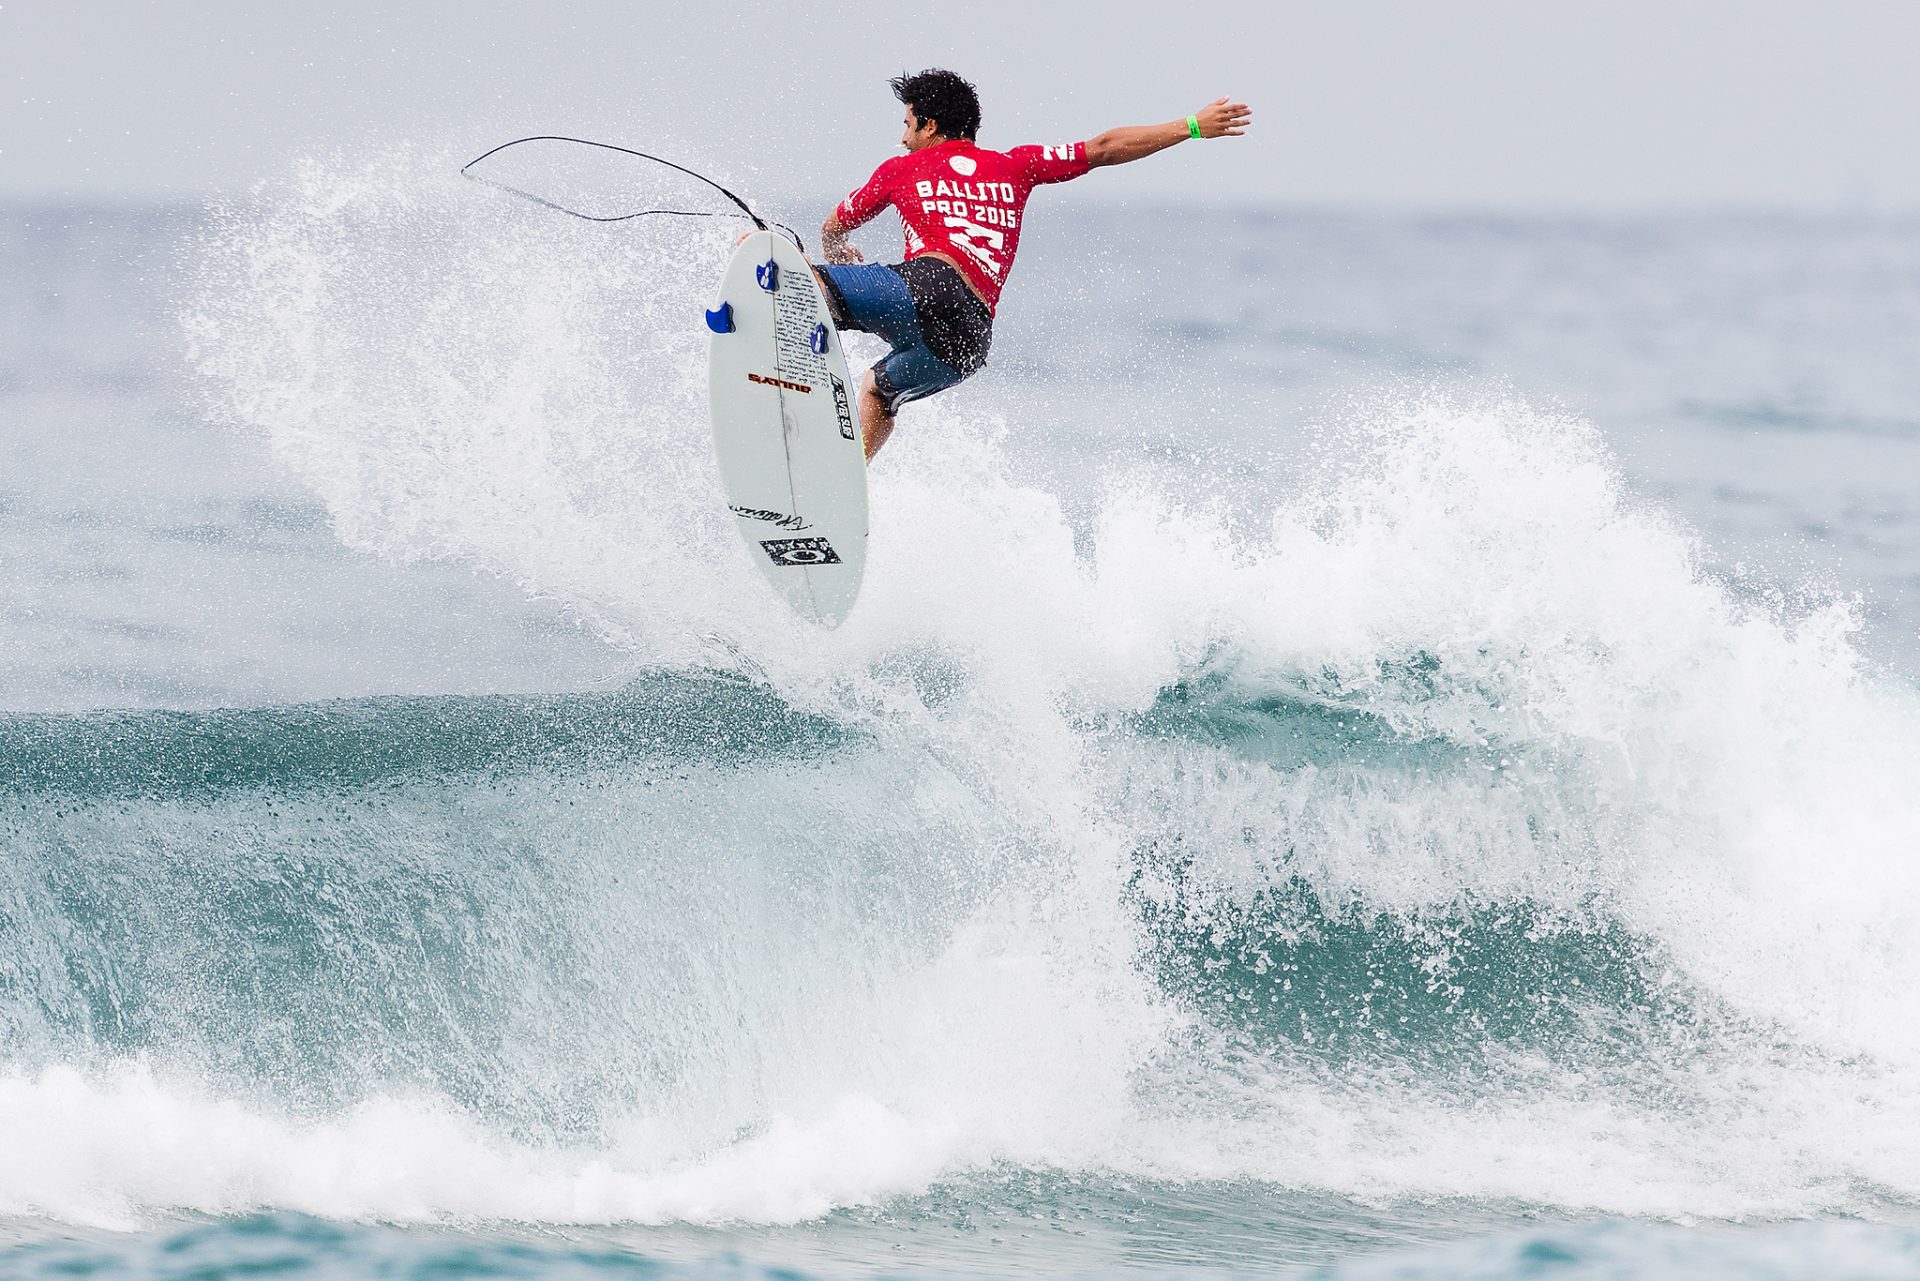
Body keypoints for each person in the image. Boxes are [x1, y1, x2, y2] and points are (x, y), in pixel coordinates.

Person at [815, 69, 1252, 458]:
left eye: (908, 125)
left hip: (930, 283)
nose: (904, 138)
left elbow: (834, 223)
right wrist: (1192, 126)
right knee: (877, 390)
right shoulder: (1016, 166)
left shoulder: (901, 168)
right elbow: (1102, 148)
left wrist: (834, 251)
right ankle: (844, 483)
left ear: (930, 126)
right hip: (968, 341)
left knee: (805, 283)